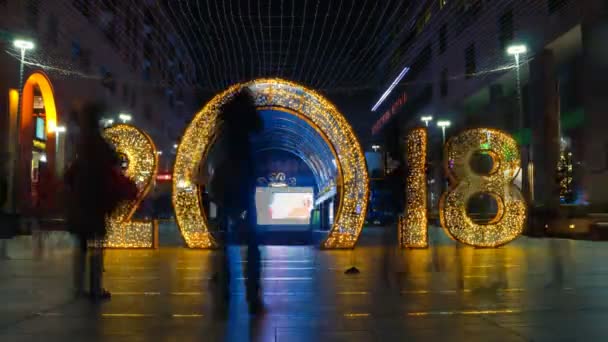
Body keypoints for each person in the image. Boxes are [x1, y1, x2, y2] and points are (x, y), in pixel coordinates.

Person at [209, 89, 263, 314]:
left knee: (223, 243)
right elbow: (259, 127)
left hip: (222, 186)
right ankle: (252, 296)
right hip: (241, 184)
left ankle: (223, 294)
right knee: (251, 241)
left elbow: (215, 155)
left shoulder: (223, 123)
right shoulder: (246, 122)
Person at [64, 102, 124, 300]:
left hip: (80, 201)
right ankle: (95, 288)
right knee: (97, 245)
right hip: (95, 201)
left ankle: (78, 287)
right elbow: (113, 160)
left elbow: (71, 174)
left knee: (81, 245)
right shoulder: (97, 141)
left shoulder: (81, 140)